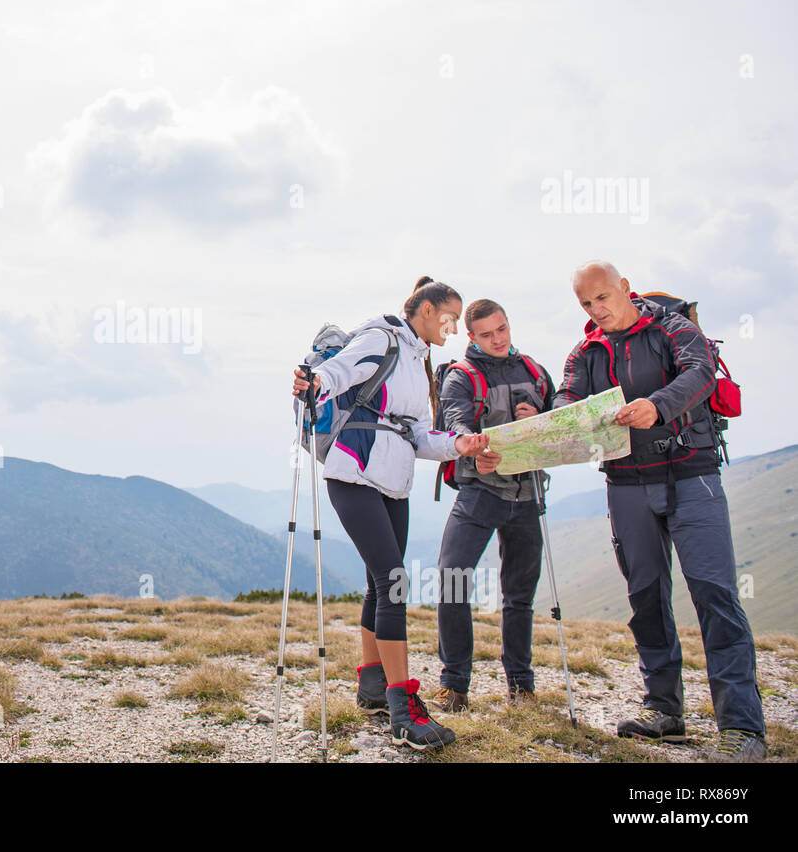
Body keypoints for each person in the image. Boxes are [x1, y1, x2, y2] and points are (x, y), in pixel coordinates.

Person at [480, 261, 765, 761]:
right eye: (586, 304)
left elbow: (700, 374)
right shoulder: (584, 352)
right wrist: (540, 424)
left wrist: (658, 405)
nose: (597, 310)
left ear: (625, 288)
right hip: (626, 483)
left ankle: (742, 729)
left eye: (603, 298)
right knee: (645, 595)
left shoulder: (675, 330)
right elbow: (570, 405)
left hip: (692, 476)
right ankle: (663, 709)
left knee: (716, 594)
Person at [291, 276, 489, 751]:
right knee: (394, 581)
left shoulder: (422, 365)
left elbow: (420, 435)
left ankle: (373, 686)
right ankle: (404, 710)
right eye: (450, 317)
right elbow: (340, 372)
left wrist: (458, 444)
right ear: (426, 310)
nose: (454, 327)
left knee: (379, 584)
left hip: (394, 483)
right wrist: (315, 382)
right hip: (353, 471)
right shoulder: (382, 337)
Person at [429, 299, 555, 713]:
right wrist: (471, 447)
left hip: (527, 495)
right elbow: (455, 422)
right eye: (487, 334)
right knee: (451, 581)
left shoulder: (534, 372)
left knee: (519, 596)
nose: (498, 339)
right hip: (480, 492)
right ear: (472, 337)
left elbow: (560, 418)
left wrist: (538, 413)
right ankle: (454, 684)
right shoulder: (461, 377)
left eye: (502, 329)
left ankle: (521, 686)